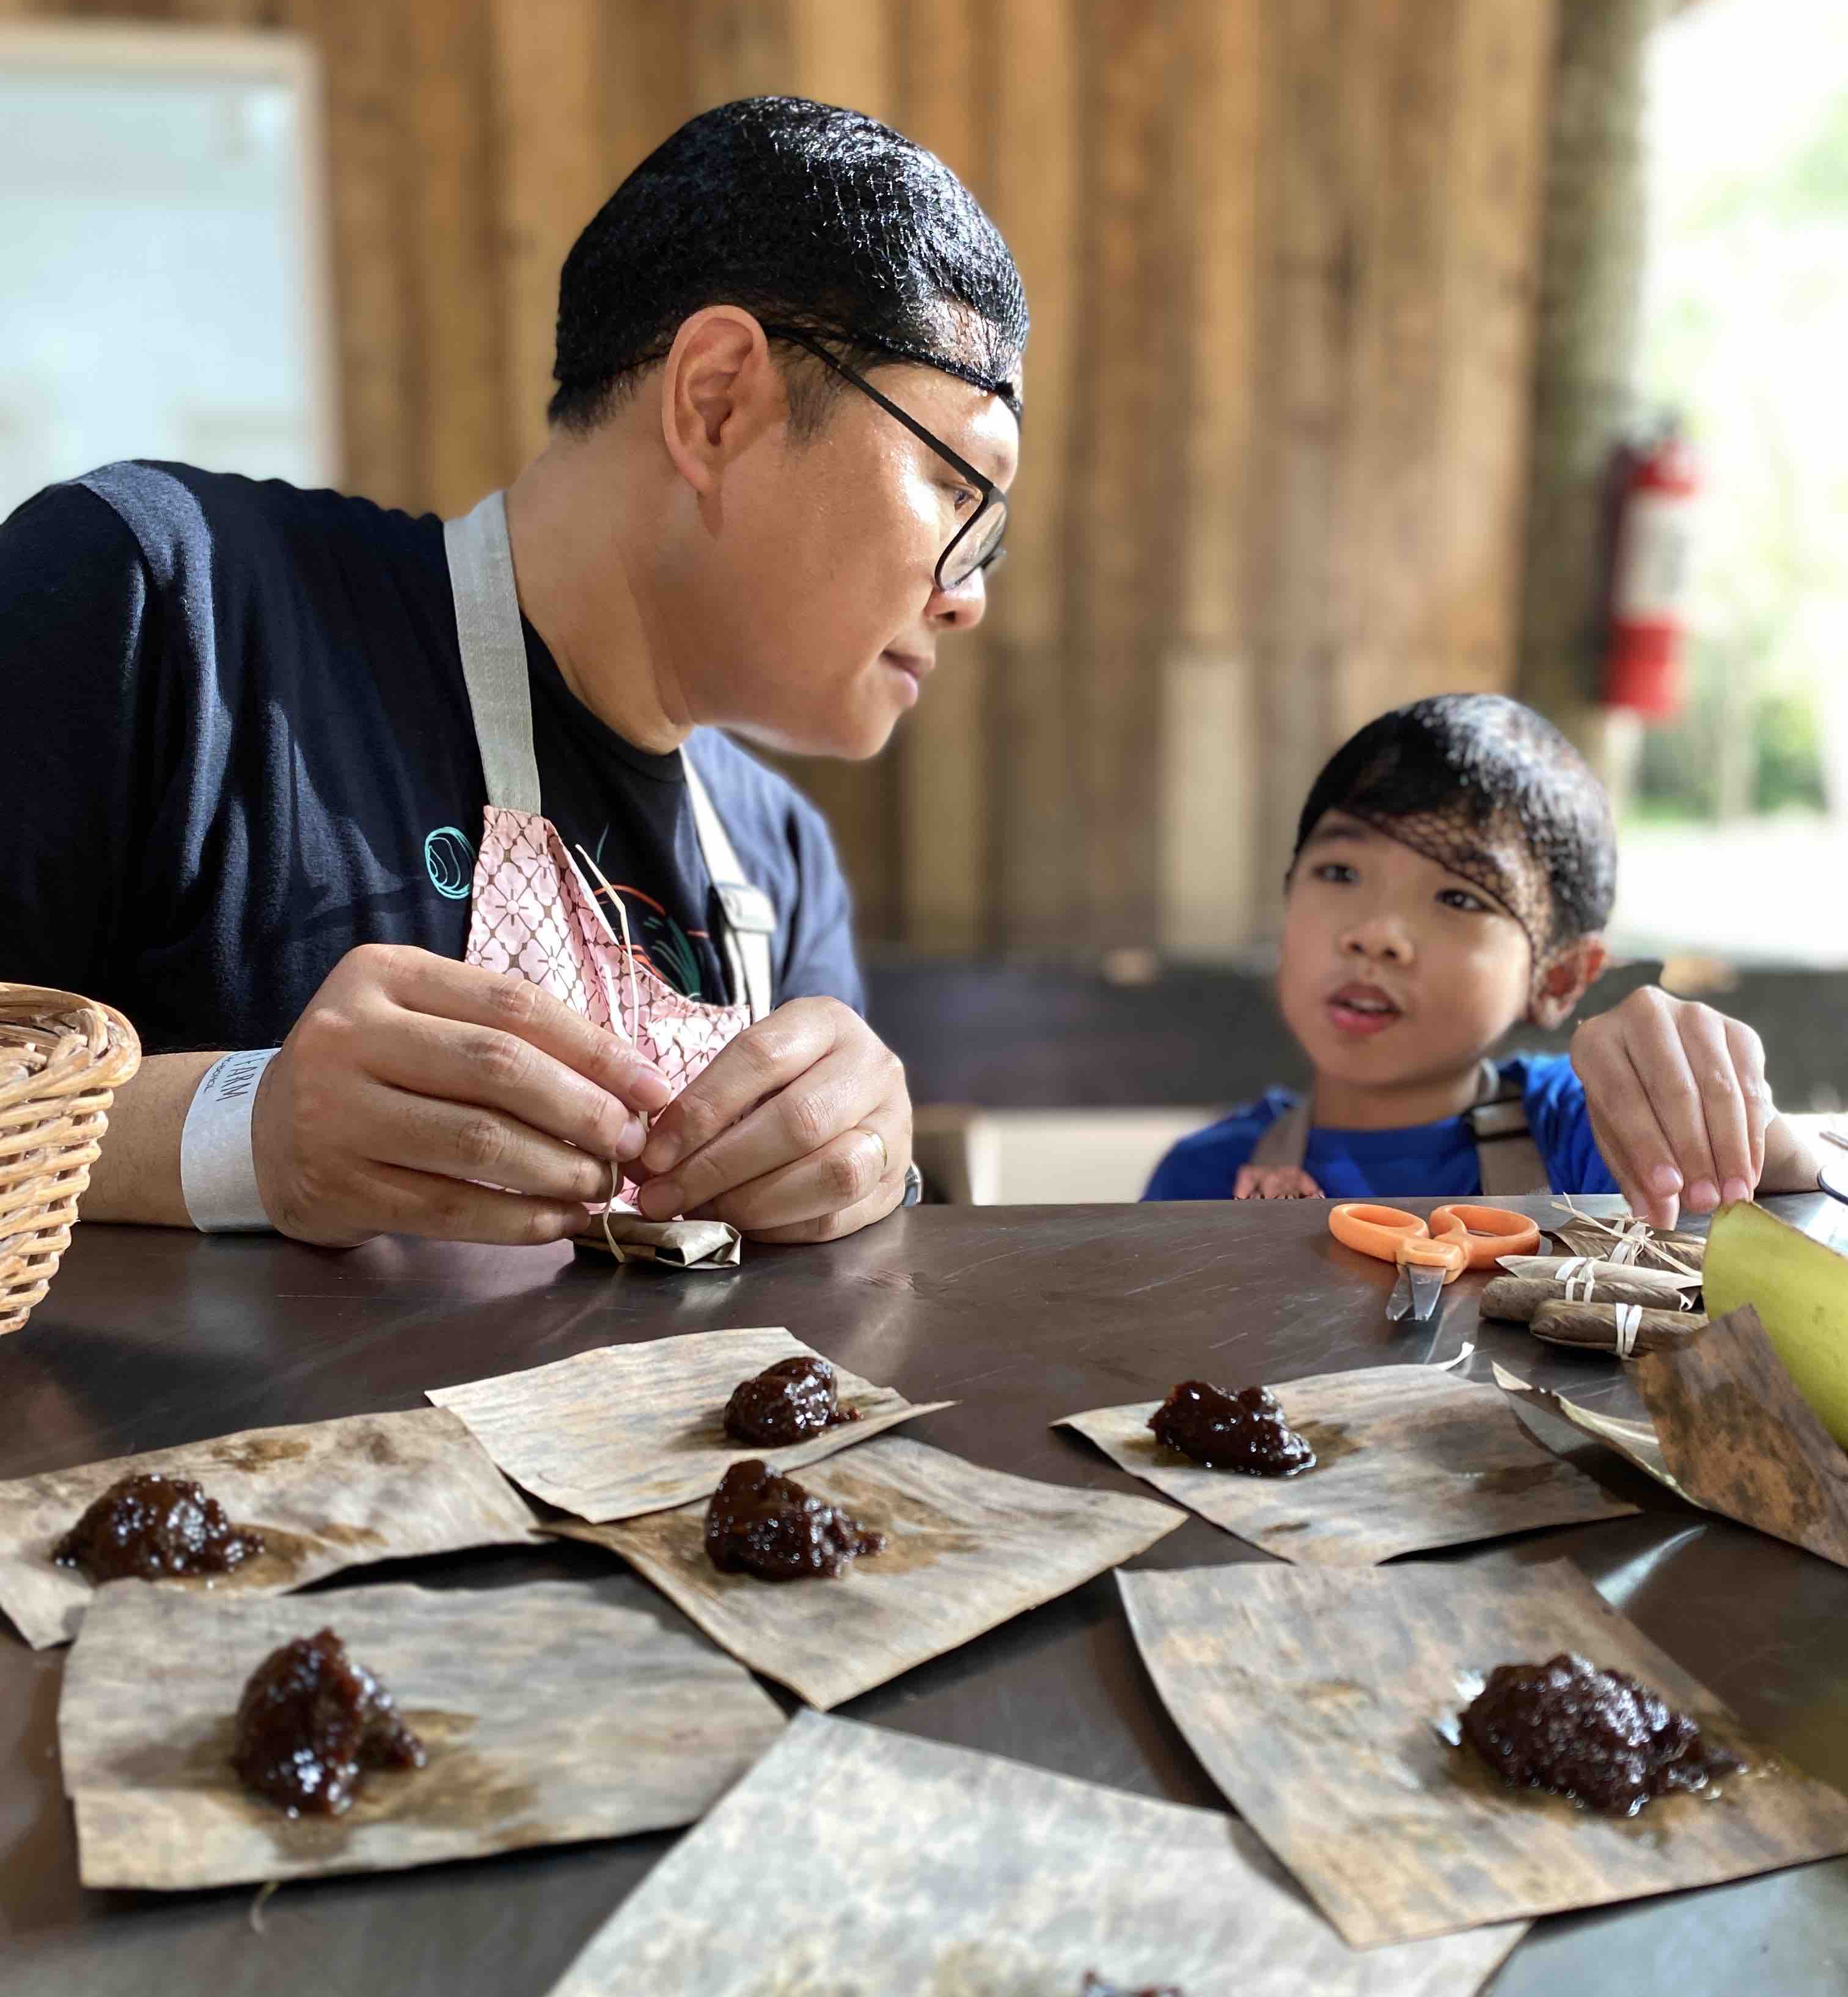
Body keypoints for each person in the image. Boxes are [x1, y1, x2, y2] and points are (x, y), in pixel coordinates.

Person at [1, 95, 1026, 1249]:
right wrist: (238, 1129)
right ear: (717, 401)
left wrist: (863, 1171)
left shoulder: (779, 868)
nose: (968, 591)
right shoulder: (161, 602)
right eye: (957, 492)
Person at [1144, 695, 1821, 1227]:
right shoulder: (1200, 1178)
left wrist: (1746, 1139)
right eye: (1342, 873)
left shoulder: (1586, 1129)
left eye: (1459, 897)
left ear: (1558, 977)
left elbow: (1773, 1222)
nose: (1376, 934)